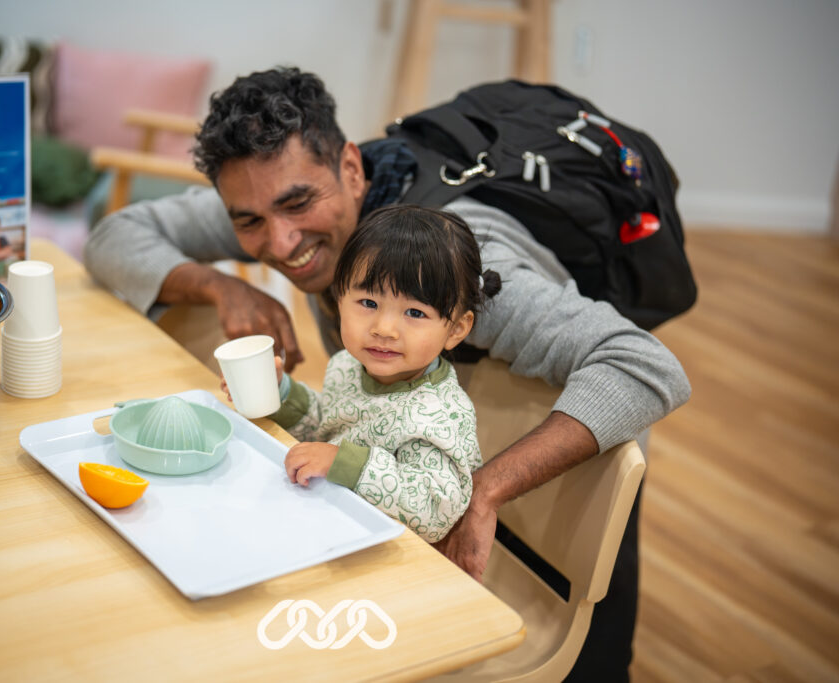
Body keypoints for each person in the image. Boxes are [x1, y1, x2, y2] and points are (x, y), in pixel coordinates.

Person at [84, 67, 691, 681]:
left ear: (352, 169)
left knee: (594, 662)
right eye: (248, 222)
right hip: (412, 469)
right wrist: (218, 285)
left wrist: (484, 489)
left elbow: (641, 365)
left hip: (564, 457)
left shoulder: (454, 269)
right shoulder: (274, 197)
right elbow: (116, 234)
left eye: (298, 204)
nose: (282, 241)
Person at [224, 205, 502, 543]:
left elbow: (431, 511)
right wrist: (279, 393)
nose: (384, 329)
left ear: (456, 328)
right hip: (329, 526)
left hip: (393, 561)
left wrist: (345, 462)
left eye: (414, 312)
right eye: (368, 303)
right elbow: (325, 428)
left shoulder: (439, 414)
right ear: (339, 298)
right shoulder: (347, 366)